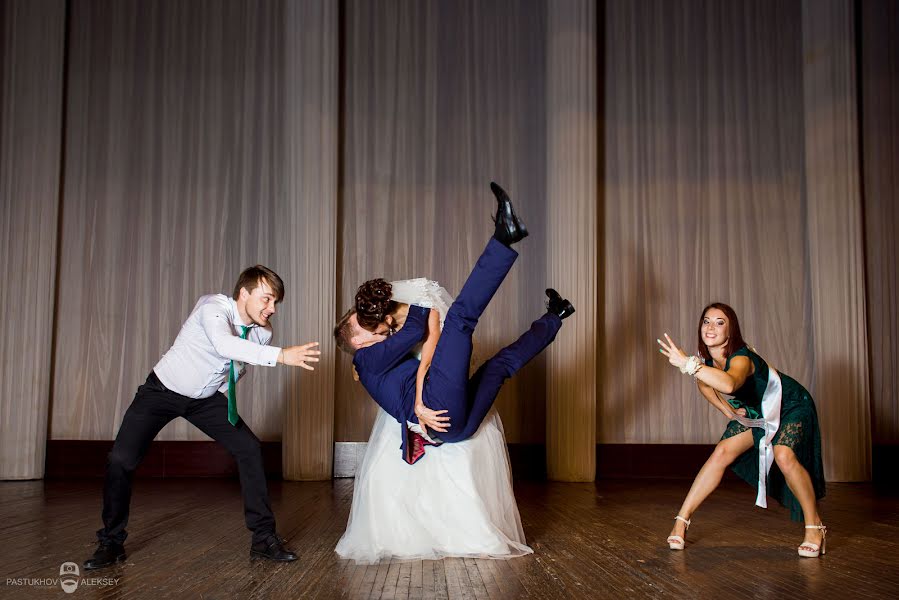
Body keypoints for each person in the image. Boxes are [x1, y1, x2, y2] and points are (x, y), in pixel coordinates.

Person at [83, 265, 321, 570]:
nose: (271, 309)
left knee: (249, 449)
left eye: (275, 302)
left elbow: (237, 367)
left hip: (205, 400)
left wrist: (216, 388)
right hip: (162, 391)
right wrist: (282, 355)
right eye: (266, 299)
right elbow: (225, 345)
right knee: (121, 460)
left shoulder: (263, 332)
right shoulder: (213, 307)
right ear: (244, 293)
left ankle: (263, 539)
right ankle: (111, 542)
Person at [334, 276, 533, 562]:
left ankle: (554, 318)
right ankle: (502, 243)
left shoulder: (375, 353)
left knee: (497, 368)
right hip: (436, 407)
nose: (370, 323)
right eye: (361, 325)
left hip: (440, 416)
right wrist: (421, 294)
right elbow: (415, 330)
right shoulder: (367, 358)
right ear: (357, 340)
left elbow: (413, 357)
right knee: (463, 323)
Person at [657, 303, 826, 557]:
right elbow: (705, 386)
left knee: (783, 455)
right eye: (706, 321)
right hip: (758, 412)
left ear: (731, 330)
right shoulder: (707, 362)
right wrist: (727, 411)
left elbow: (728, 383)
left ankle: (815, 527)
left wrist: (688, 364)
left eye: (720, 322)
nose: (711, 327)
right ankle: (681, 521)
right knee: (721, 452)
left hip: (789, 405)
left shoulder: (741, 357)